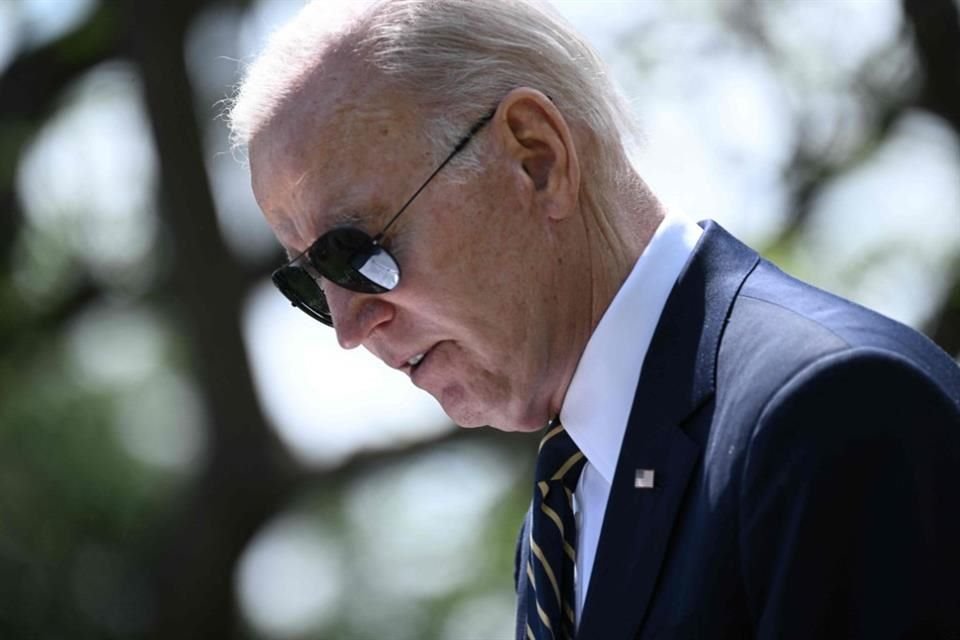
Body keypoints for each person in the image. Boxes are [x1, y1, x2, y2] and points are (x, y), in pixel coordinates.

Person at [227, 0, 960, 637]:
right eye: (311, 280)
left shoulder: (828, 416)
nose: (352, 327)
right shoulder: (570, 508)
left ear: (536, 158)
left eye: (356, 250)